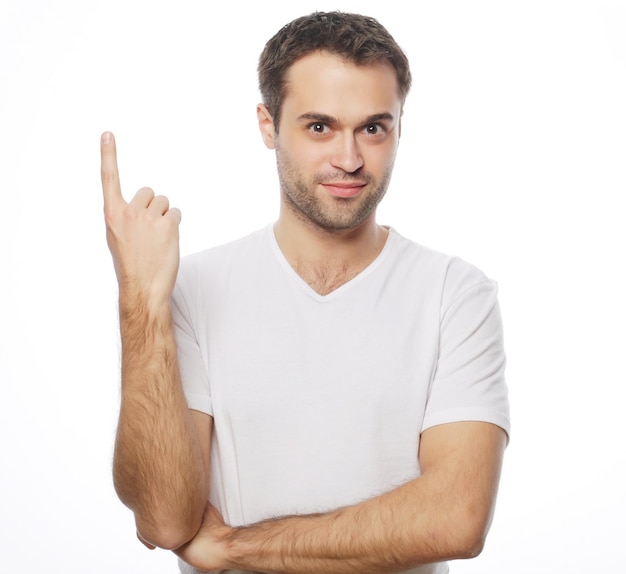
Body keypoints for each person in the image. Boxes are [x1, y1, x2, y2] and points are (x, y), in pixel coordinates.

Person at [101, 11, 510, 574]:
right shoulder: (192, 289)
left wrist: (236, 548)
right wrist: (140, 300)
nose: (349, 159)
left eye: (373, 127)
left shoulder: (454, 294)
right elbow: (164, 520)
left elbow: (456, 518)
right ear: (268, 125)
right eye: (320, 127)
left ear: (399, 128)